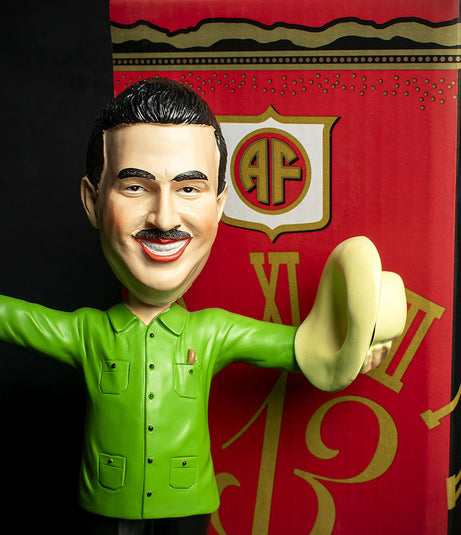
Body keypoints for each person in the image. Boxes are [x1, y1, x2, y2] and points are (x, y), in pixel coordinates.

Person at [0, 77, 406, 534]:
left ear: (219, 205)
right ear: (93, 202)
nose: (164, 219)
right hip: (109, 502)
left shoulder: (212, 332)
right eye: (135, 187)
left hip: (187, 500)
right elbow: (15, 320)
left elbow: (302, 347)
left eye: (189, 189)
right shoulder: (88, 333)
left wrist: (354, 343)